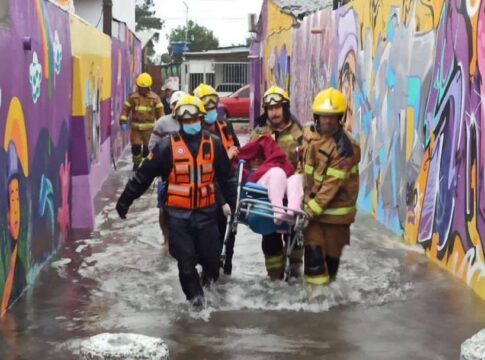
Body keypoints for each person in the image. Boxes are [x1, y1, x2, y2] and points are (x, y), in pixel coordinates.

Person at [115, 95, 236, 309]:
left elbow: (227, 178)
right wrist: (125, 201)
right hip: (178, 217)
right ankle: (197, 307)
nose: (191, 124)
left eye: (194, 120)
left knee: (212, 263)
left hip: (207, 214)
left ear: (200, 119)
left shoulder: (214, 145)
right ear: (179, 121)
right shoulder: (165, 147)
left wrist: (234, 206)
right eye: (186, 120)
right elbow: (143, 176)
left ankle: (207, 291)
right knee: (186, 264)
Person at [302, 88, 360, 286]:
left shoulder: (346, 148)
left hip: (336, 216)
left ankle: (327, 304)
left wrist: (309, 211)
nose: (327, 121)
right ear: (316, 116)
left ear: (340, 117)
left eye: (332, 117)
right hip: (314, 214)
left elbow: (330, 186)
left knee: (331, 263)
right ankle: (315, 306)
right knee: (313, 260)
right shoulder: (310, 135)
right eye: (324, 117)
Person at [249, 85, 304, 280]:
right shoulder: (260, 134)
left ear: (285, 107)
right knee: (270, 236)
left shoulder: (300, 133)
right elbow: (252, 166)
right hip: (269, 194)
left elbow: (307, 164)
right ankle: (275, 280)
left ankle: (296, 272)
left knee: (297, 236)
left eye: (277, 107)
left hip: (294, 191)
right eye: (270, 108)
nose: (274, 112)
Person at [193, 83, 240, 275]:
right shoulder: (196, 135)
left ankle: (227, 266)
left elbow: (237, 148)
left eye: (214, 106)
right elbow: (204, 167)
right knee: (211, 237)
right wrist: (225, 157)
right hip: (209, 192)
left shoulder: (225, 126)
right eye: (207, 107)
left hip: (229, 186)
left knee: (231, 232)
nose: (212, 111)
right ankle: (209, 272)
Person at [148, 90, 186, 246]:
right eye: (176, 105)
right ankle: (166, 238)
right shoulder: (162, 123)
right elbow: (152, 146)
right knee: (163, 208)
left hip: (186, 173)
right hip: (166, 174)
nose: (179, 108)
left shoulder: (193, 122)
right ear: (171, 106)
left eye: (182, 105)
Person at [119, 72, 164, 171]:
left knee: (147, 149)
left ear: (148, 87)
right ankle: (136, 165)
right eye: (140, 87)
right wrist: (123, 120)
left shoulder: (155, 98)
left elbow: (160, 112)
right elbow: (126, 109)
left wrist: (162, 125)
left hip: (149, 129)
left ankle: (145, 166)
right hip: (136, 129)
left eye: (144, 88)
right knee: (135, 148)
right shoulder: (133, 97)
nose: (142, 90)